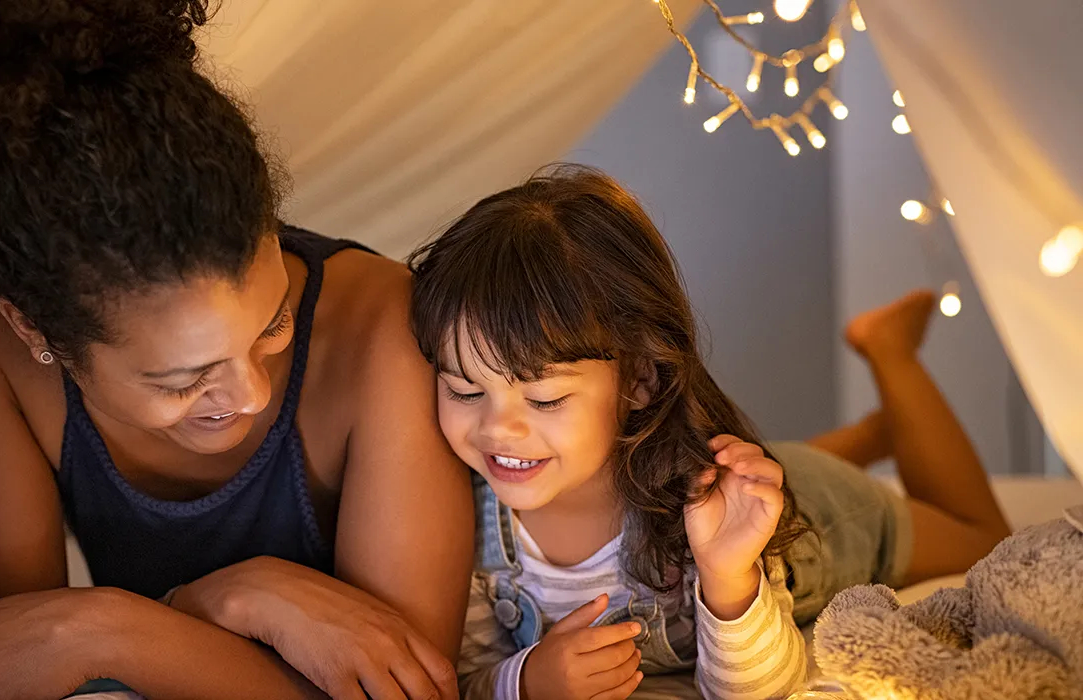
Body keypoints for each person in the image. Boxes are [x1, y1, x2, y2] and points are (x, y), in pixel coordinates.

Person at [0, 1, 472, 698]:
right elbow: (16, 651)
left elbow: (410, 691)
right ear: (36, 331)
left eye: (273, 325)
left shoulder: (384, 327)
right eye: (184, 380)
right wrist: (198, 609)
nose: (251, 394)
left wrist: (122, 624)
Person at [405, 165, 1011, 700]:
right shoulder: (463, 522)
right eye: (463, 390)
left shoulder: (702, 512)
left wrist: (728, 578)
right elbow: (465, 676)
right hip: (733, 469)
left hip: (813, 517)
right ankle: (874, 434)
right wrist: (526, 681)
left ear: (638, 379)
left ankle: (889, 351)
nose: (498, 428)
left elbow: (765, 689)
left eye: (544, 398)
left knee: (984, 538)